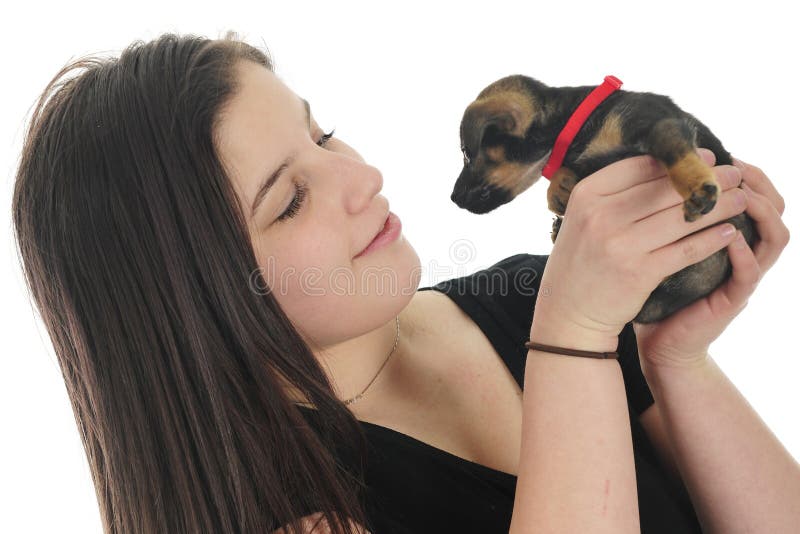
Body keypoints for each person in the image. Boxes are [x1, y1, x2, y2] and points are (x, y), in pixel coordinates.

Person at [11, 30, 795, 534]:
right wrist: (577, 337)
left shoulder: (525, 296)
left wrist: (673, 357)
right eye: (290, 201)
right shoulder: (290, 512)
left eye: (321, 133)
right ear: (193, 298)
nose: (361, 175)